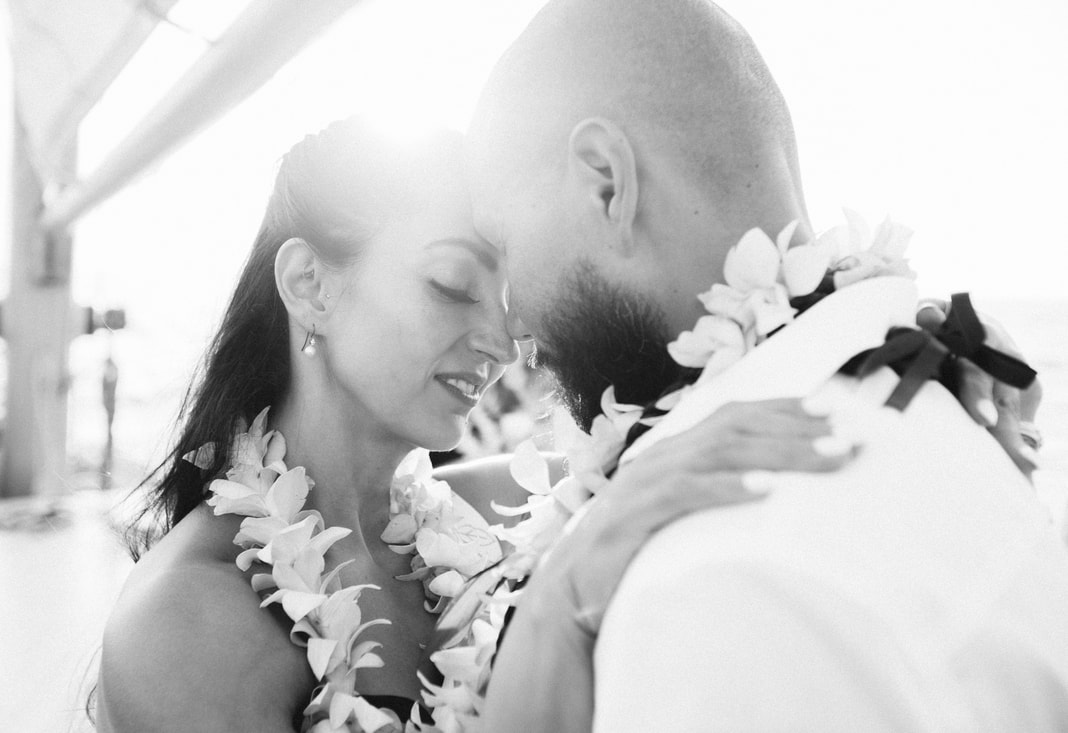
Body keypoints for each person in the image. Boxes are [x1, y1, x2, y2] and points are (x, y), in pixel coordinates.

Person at [93, 119, 861, 732]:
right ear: (309, 285)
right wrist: (555, 607)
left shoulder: (479, 518)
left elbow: (639, 472)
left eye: (505, 292)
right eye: (453, 285)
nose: (502, 341)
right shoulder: (184, 622)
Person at [467, 0, 1068, 730]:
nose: (514, 322)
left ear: (606, 182)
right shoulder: (936, 406)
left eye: (505, 246)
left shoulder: (701, 589)